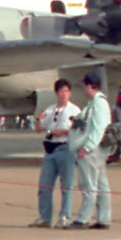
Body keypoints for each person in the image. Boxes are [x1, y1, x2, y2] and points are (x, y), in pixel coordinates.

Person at [33, 79, 80, 227]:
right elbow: (40, 128)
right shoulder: (51, 109)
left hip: (65, 147)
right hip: (51, 148)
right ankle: (45, 216)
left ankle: (65, 216)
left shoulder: (74, 110)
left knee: (66, 185)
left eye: (66, 91)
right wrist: (38, 120)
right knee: (45, 185)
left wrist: (64, 131)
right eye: (61, 91)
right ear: (56, 93)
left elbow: (78, 129)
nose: (63, 94)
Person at [71, 70, 114, 229]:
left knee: (88, 184)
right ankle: (104, 218)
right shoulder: (94, 103)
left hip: (92, 151)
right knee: (101, 185)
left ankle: (83, 218)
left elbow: (98, 129)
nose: (83, 89)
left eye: (84, 85)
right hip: (95, 150)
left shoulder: (99, 103)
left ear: (90, 85)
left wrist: (87, 147)